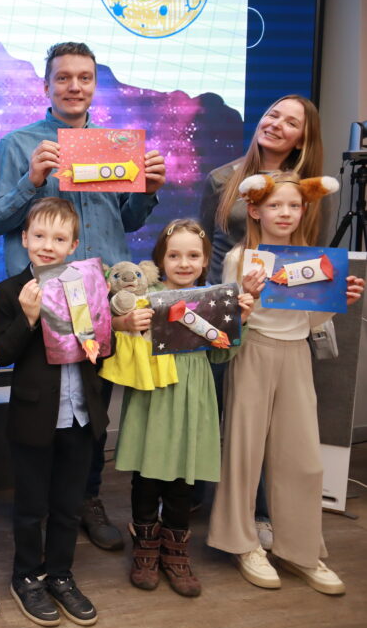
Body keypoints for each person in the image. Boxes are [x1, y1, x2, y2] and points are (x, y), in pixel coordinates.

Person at [0, 41, 166, 552]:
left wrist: (148, 189)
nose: (74, 86)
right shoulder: (18, 145)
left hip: (102, 296)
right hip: (42, 303)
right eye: (63, 77)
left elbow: (127, 219)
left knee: (92, 406)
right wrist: (32, 180)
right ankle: (36, 503)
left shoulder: (114, 145)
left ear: (94, 85)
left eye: (84, 77)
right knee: (43, 406)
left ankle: (86, 498)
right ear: (46, 86)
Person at [207, 173, 363, 595]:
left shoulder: (312, 259)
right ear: (255, 210)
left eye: (294, 205)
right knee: (243, 453)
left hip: (296, 354)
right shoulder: (240, 257)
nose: (285, 213)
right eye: (275, 205)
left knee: (303, 457)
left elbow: (309, 321)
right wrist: (247, 296)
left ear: (304, 210)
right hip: (253, 352)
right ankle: (242, 543)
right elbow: (229, 321)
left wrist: (338, 302)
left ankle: (301, 550)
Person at [0, 198, 111, 626]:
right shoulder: (9, 292)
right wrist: (28, 317)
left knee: (68, 505)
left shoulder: (85, 285)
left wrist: (106, 329)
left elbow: (102, 347)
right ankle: (26, 576)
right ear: (24, 238)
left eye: (59, 239)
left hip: (81, 415)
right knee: (30, 506)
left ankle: (60, 574)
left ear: (73, 245)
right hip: (35, 417)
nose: (47, 245)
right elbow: (1, 354)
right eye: (39, 235)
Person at [114, 219, 252, 597]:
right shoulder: (146, 296)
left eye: (193, 255)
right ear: (161, 259)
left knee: (182, 482)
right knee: (147, 478)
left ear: (205, 260)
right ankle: (145, 547)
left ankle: (176, 551)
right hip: (153, 398)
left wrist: (241, 321)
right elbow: (121, 338)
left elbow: (221, 356)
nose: (184, 263)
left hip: (193, 398)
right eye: (174, 255)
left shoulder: (213, 300)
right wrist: (128, 323)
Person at [199, 94, 332, 283]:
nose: (276, 124)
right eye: (273, 115)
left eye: (291, 123)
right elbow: (203, 247)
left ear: (302, 141)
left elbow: (316, 255)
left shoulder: (311, 191)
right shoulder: (220, 179)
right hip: (224, 294)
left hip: (282, 295)